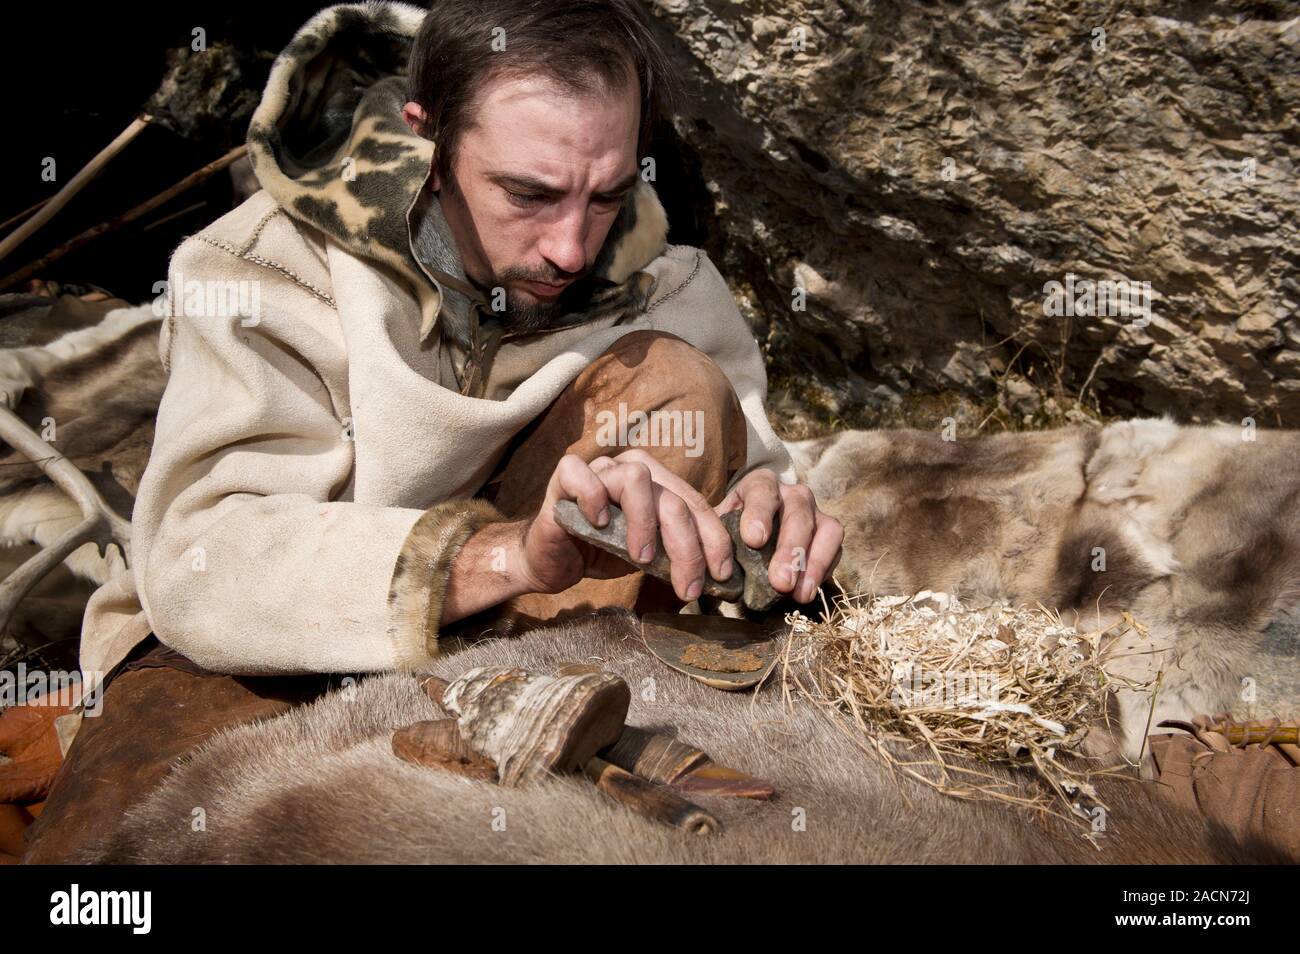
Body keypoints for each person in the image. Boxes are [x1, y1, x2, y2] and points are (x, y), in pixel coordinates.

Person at [15, 0, 842, 861]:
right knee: (117, 858)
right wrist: (505, 555)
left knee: (674, 380)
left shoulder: (669, 289)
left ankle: (558, 737)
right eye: (528, 193)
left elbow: (762, 473)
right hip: (251, 644)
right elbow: (205, 558)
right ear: (430, 141)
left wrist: (767, 521)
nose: (570, 248)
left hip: (528, 636)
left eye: (609, 195)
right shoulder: (260, 270)